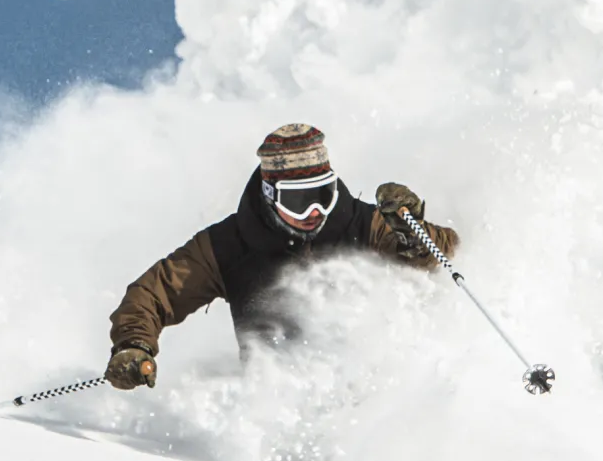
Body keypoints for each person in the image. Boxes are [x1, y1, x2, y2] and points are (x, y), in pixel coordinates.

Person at [105, 123, 459, 390]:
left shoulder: (363, 223)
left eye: (324, 194)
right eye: (299, 200)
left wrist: (412, 232)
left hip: (379, 391)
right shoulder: (229, 245)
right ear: (271, 194)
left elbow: (447, 254)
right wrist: (134, 344)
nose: (315, 212)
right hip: (279, 407)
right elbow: (153, 294)